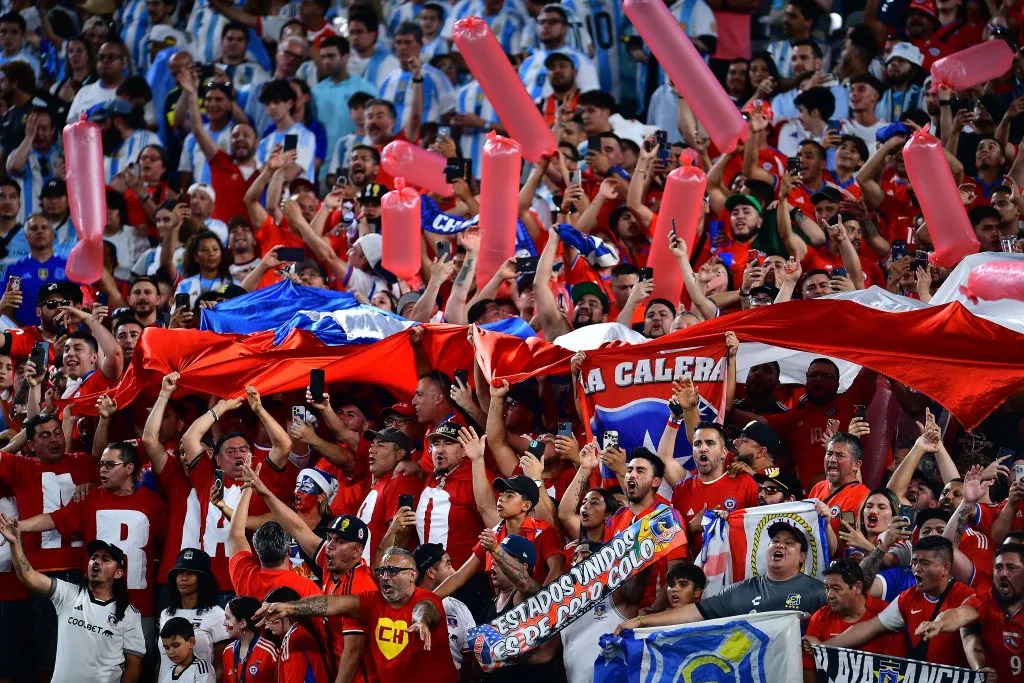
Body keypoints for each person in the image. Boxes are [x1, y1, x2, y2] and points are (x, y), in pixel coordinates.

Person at [254, 546, 460, 682]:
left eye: (393, 572)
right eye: (382, 572)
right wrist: (290, 608)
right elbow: (331, 603)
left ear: (412, 575)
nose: (385, 577)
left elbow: (425, 609)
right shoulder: (372, 601)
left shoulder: (427, 597)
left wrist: (421, 622)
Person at [0, 522, 145, 683]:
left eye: (105, 559)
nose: (96, 562)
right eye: (94, 557)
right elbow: (28, 575)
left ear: (118, 573)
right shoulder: (68, 594)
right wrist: (15, 543)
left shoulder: (129, 613)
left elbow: (134, 665)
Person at [617, 522, 826, 630]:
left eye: (789, 543)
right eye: (775, 541)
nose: (780, 544)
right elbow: (694, 612)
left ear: (802, 557)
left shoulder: (818, 591)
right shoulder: (742, 590)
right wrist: (642, 621)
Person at [825, 535, 980, 668]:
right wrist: (823, 646)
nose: (916, 569)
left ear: (946, 569)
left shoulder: (965, 595)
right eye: (914, 562)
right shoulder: (908, 597)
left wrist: (939, 624)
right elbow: (869, 628)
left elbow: (963, 619)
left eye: (925, 563)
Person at [801, 559, 905, 678]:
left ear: (857, 587)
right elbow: (809, 667)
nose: (829, 595)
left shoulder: (885, 614)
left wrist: (820, 648)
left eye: (836, 588)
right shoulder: (820, 617)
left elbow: (894, 670)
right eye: (827, 588)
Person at [158, 548, 228, 682]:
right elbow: (161, 660)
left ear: (203, 578)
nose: (184, 578)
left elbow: (221, 665)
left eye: (190, 573)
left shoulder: (216, 614)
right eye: (180, 573)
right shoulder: (166, 614)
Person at [412, 542, 476, 672]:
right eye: (448, 564)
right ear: (430, 572)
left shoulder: (459, 608)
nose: (453, 571)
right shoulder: (407, 605)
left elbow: (472, 660)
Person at [221, 596, 278, 683]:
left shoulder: (269, 652)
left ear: (242, 623)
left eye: (227, 618)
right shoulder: (227, 651)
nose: (224, 623)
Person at [158, 617, 216, 683]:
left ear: (191, 642)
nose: (171, 652)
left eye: (176, 645)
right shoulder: (169, 672)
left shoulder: (201, 668)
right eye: (166, 648)